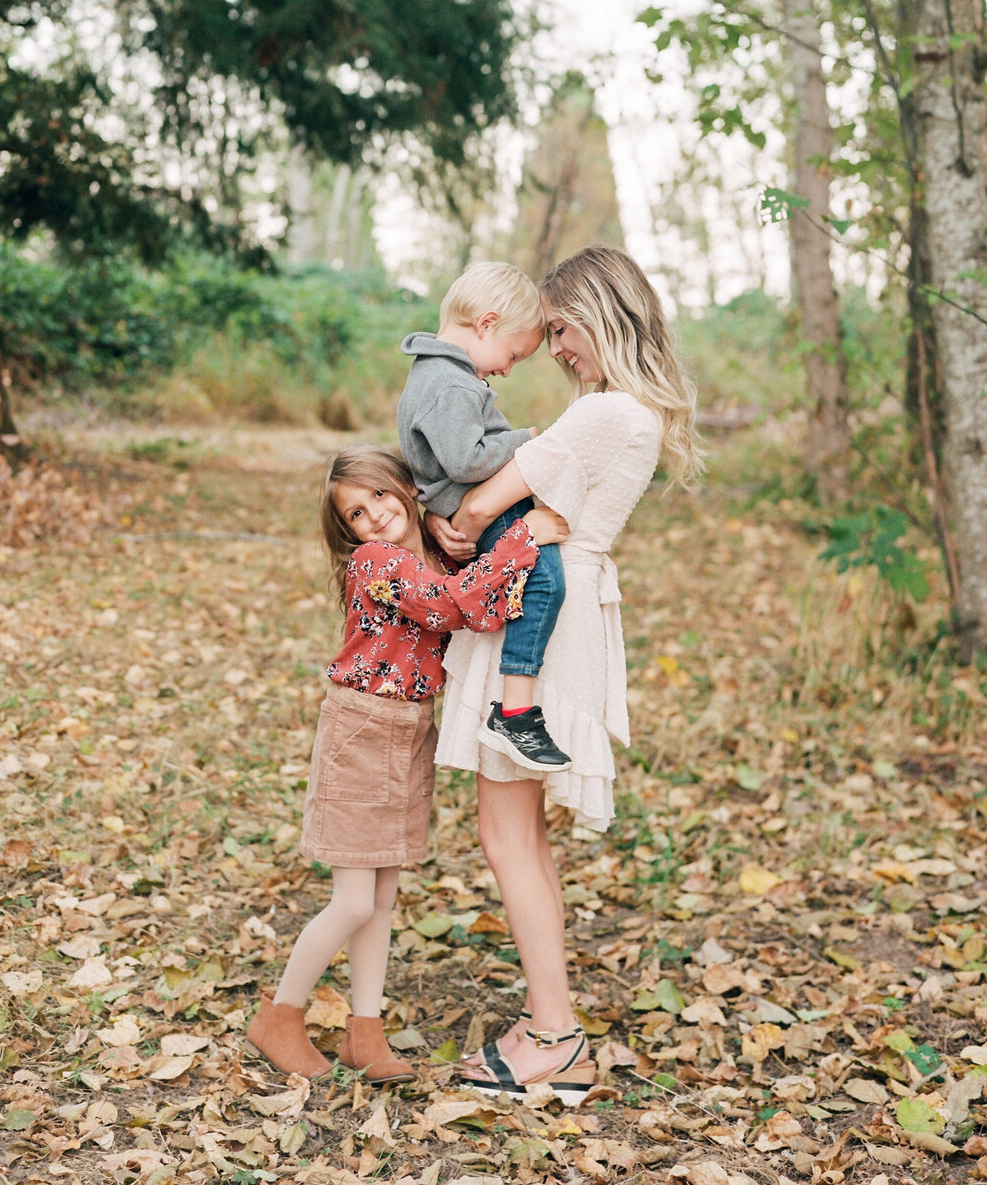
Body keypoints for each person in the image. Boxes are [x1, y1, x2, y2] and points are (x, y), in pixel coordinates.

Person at [436, 246, 700, 1103]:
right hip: (566, 612)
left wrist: (463, 522)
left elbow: (479, 503)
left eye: (559, 328)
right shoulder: (637, 412)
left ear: (599, 314)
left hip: (535, 622)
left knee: (505, 833)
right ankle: (556, 1028)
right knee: (524, 831)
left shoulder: (599, 415)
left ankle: (554, 1035)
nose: (553, 347)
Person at [246, 445, 568, 1084]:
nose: (374, 517)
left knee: (383, 897)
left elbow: (478, 593)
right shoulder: (375, 563)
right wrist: (525, 534)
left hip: (409, 730)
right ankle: (280, 1016)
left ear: (407, 489)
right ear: (349, 532)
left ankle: (365, 1034)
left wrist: (480, 538)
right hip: (362, 729)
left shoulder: (436, 557)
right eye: (356, 514)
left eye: (382, 497)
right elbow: (457, 608)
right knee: (353, 900)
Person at [397, 261, 572, 774]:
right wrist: (529, 440)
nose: (507, 369)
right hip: (487, 509)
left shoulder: (436, 374)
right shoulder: (451, 385)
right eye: (513, 354)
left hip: (475, 506)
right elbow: (467, 461)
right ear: (487, 324)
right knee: (543, 584)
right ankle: (515, 711)